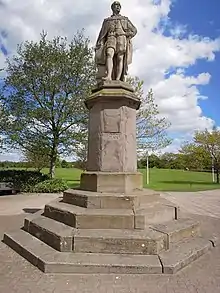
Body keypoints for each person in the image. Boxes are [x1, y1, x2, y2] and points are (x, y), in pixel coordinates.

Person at [95, 1, 137, 82]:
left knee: (120, 58)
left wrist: (125, 33)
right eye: (116, 5)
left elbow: (134, 30)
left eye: (119, 6)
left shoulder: (125, 19)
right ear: (112, 7)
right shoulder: (107, 21)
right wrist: (100, 44)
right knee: (109, 54)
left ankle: (118, 79)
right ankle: (108, 76)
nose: (117, 7)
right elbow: (102, 34)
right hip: (111, 37)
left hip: (121, 38)